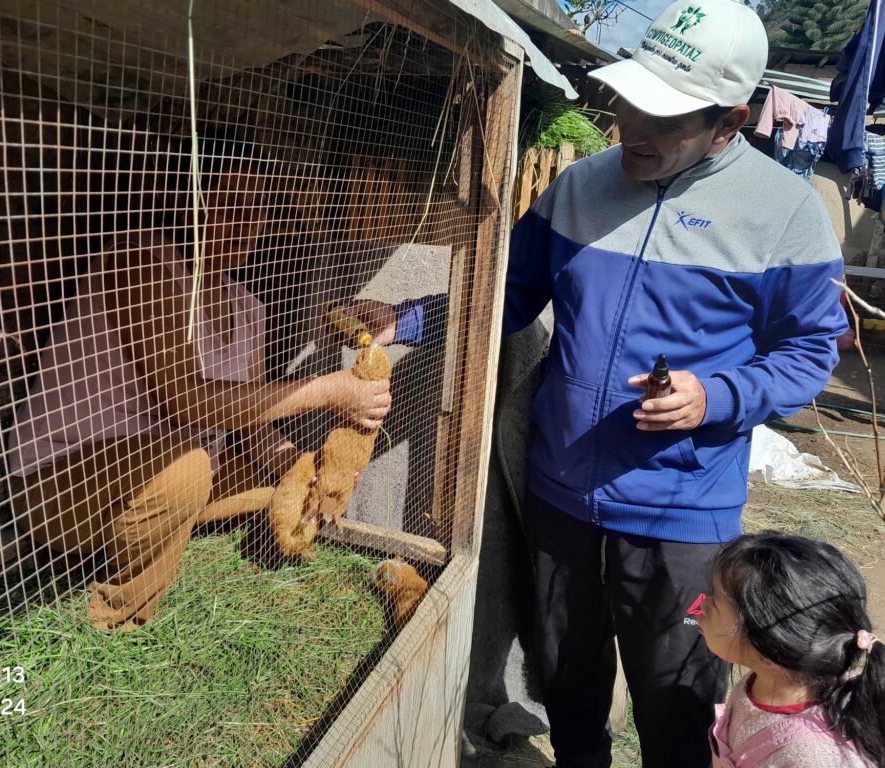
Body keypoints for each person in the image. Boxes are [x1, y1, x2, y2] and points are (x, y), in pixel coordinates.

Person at [344, 0, 848, 764]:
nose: (633, 130)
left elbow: (810, 353)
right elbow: (502, 295)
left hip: (680, 511)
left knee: (678, 700)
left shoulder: (784, 214)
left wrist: (715, 398)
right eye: (631, 103)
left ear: (730, 122)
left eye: (665, 119)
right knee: (567, 679)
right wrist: (408, 319)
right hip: (562, 491)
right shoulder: (580, 187)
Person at [7, 131, 390, 631]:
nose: (246, 224)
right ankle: (119, 614)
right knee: (189, 468)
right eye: (229, 205)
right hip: (65, 478)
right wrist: (327, 391)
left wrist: (304, 467)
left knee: (282, 478)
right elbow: (187, 402)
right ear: (189, 203)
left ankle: (168, 524)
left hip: (170, 474)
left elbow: (251, 427)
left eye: (257, 210)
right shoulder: (139, 261)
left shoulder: (247, 309)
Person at [699, 532, 883, 767]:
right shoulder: (761, 682)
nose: (703, 604)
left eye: (715, 602)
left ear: (769, 651)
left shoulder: (811, 758)